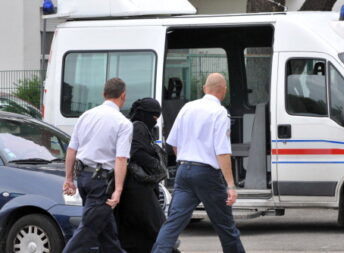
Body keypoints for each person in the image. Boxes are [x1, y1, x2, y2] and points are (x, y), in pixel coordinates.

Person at [152, 73, 246, 253]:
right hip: (207, 174)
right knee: (225, 226)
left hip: (184, 171)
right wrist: (231, 185)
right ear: (223, 91)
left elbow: (174, 144)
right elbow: (222, 152)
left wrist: (187, 159)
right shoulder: (220, 113)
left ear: (204, 88)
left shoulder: (187, 107)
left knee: (172, 224)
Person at [62, 77, 132, 253]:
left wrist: (69, 179)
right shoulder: (123, 123)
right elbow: (121, 159)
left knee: (107, 235)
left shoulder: (86, 115)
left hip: (84, 178)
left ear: (104, 94)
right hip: (101, 183)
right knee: (88, 230)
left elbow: (71, 150)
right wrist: (118, 190)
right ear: (123, 96)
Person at [115, 97, 178, 253]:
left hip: (133, 187)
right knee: (159, 227)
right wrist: (156, 166)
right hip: (138, 188)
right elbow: (136, 153)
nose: (155, 121)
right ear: (145, 114)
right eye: (154, 117)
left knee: (137, 233)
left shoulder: (133, 126)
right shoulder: (139, 128)